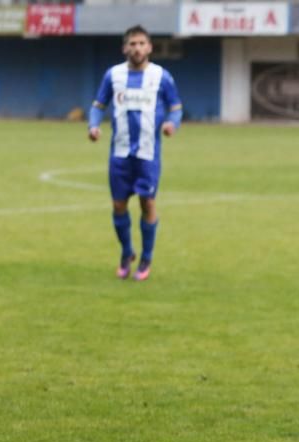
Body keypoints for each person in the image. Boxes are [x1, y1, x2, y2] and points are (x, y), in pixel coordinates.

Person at [88, 25, 182, 281]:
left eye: (142, 43)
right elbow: (98, 105)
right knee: (119, 205)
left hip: (147, 154)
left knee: (147, 202)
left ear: (149, 47)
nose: (137, 48)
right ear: (125, 48)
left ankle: (146, 257)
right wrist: (94, 125)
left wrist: (172, 123)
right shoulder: (113, 75)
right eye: (133, 43)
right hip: (119, 154)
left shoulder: (161, 77)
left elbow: (176, 108)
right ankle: (127, 251)